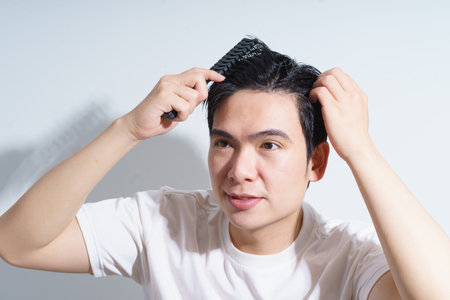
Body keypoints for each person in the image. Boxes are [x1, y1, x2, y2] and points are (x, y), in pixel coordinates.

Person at [0, 38, 449, 300]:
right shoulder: (163, 223)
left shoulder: (351, 258)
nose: (239, 170)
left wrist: (363, 151)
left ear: (316, 162)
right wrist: (126, 131)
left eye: (269, 144)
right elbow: (17, 245)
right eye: (223, 143)